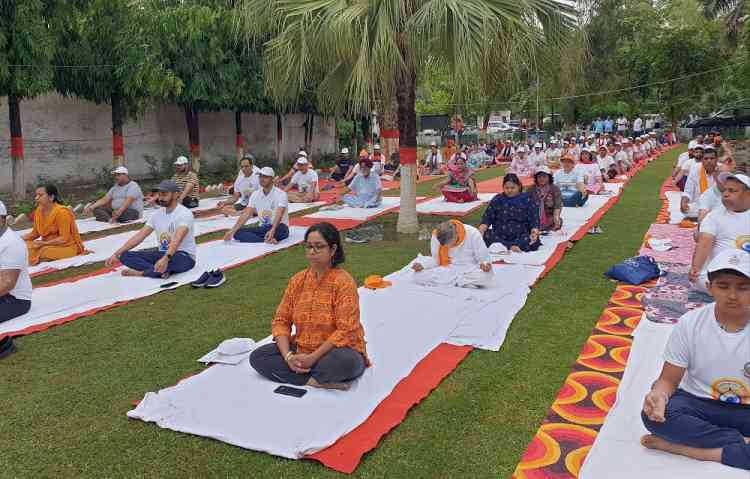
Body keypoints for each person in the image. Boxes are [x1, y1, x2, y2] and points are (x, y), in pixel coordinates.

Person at [640, 250, 750, 471]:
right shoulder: (690, 323)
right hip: (699, 402)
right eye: (723, 286)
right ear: (709, 288)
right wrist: (658, 396)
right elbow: (668, 381)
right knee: (653, 416)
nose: (732, 295)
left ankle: (684, 449)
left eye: (743, 287)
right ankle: (741, 445)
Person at [249, 222, 369, 390]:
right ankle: (315, 381)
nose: (312, 252)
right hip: (301, 348)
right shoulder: (298, 280)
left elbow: (346, 330)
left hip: (338, 351)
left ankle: (306, 373)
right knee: (258, 357)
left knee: (344, 362)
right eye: (309, 246)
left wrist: (313, 357)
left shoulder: (343, 282)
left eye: (319, 247)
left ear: (333, 250)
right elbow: (281, 321)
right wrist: (288, 356)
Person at [105, 180, 197, 278]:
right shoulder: (156, 215)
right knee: (125, 256)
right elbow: (140, 236)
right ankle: (159, 271)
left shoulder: (184, 213)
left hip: (183, 256)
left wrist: (166, 258)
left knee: (172, 262)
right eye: (160, 195)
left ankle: (142, 273)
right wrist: (116, 254)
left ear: (175, 195)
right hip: (162, 254)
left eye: (164, 195)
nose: (161, 198)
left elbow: (177, 240)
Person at [689, 173, 750, 293]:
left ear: (748, 194)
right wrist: (695, 268)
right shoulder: (714, 216)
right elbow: (704, 244)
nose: (726, 194)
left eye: (732, 191)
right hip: (719, 273)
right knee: (706, 282)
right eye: (725, 190)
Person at [411, 220, 493, 288]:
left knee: (486, 276)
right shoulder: (436, 236)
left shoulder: (473, 233)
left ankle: (451, 282)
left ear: (456, 234)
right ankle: (463, 283)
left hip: (469, 270)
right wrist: (423, 265)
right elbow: (436, 260)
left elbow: (483, 258)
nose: (447, 247)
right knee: (417, 276)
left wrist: (485, 264)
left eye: (449, 244)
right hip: (447, 269)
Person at [224, 167, 290, 244]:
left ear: (272, 179)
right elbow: (247, 214)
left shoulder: (281, 194)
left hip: (279, 227)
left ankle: (266, 237)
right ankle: (266, 240)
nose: (262, 179)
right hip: (263, 228)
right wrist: (232, 231)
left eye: (265, 177)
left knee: (280, 229)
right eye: (260, 176)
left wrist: (273, 229)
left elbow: (280, 214)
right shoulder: (255, 194)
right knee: (237, 233)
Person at [0, 200, 32, 357]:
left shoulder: (11, 243)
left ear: (3, 219)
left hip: (15, 300)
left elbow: (7, 284)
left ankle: (5, 348)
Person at [23, 184, 85, 266]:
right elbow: (35, 233)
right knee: (24, 246)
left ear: (51, 197)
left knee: (44, 252)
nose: (36, 198)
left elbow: (64, 239)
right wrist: (17, 239)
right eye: (36, 195)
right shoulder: (38, 211)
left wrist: (44, 244)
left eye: (40, 195)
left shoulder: (62, 212)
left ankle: (38, 257)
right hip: (45, 244)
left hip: (66, 247)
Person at [480, 173, 541, 252]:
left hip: (520, 234)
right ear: (503, 187)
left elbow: (534, 217)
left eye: (513, 188)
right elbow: (488, 216)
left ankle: (504, 246)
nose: (509, 190)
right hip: (499, 234)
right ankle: (510, 247)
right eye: (507, 188)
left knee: (533, 240)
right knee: (485, 235)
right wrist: (483, 226)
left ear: (519, 186)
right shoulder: (497, 199)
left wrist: (534, 230)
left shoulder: (527, 199)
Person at [681, 145, 718, 218]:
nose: (709, 161)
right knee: (686, 210)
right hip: (699, 205)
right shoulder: (696, 168)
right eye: (706, 158)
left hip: (716, 206)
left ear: (717, 159)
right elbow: (688, 190)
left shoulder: (721, 171)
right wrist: (683, 202)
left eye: (712, 158)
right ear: (702, 160)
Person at [527, 167, 563, 232]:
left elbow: (558, 204)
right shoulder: (531, 189)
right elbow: (525, 204)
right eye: (539, 177)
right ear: (536, 178)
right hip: (534, 215)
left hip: (549, 215)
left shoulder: (555, 189)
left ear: (549, 177)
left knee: (556, 221)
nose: (542, 179)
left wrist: (556, 217)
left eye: (544, 176)